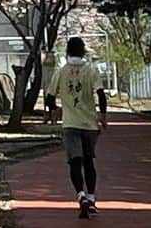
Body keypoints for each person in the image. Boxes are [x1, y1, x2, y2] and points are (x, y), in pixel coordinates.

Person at [47, 36, 108, 217]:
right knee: (89, 162)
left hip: (70, 124)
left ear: (67, 52)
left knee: (74, 162)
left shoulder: (61, 72)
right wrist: (103, 116)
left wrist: (56, 110)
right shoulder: (91, 71)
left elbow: (50, 97)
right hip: (89, 125)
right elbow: (101, 95)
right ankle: (91, 198)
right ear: (83, 52)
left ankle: (80, 195)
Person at [42, 51, 60, 126]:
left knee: (51, 104)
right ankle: (48, 117)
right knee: (48, 104)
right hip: (47, 87)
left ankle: (53, 119)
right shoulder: (45, 68)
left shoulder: (55, 70)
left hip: (51, 88)